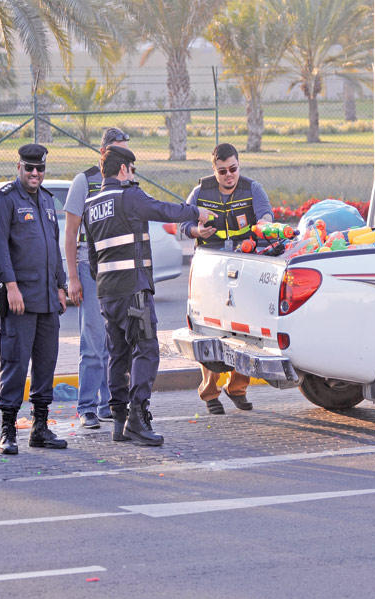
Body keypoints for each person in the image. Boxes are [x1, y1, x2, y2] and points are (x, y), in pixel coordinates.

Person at [83, 145, 211, 444]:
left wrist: (106, 281)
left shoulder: (92, 204)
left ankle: (118, 421)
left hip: (107, 293)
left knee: (118, 353)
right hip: (133, 290)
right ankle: (137, 418)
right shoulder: (130, 197)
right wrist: (197, 212)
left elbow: (92, 257)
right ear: (124, 169)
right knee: (147, 349)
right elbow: (163, 210)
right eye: (132, 170)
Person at [180, 143, 273, 415]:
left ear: (238, 165)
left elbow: (266, 214)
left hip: (245, 266)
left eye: (233, 169)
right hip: (210, 267)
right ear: (214, 170)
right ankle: (210, 392)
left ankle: (237, 388)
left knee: (246, 331)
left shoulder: (253, 189)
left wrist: (265, 224)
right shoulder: (200, 192)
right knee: (210, 331)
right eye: (223, 171)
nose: (229, 175)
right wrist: (196, 230)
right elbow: (183, 224)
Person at [0, 144, 68, 454]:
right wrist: (11, 287)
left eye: (40, 169)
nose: (35, 173)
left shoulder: (48, 200)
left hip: (48, 298)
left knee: (46, 364)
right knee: (15, 363)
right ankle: (8, 430)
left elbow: (54, 247)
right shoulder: (5, 200)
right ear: (18, 167)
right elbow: (0, 248)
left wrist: (61, 286)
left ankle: (40, 428)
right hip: (20, 297)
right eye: (29, 168)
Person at [64, 128, 131, 429]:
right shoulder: (84, 181)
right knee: (92, 341)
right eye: (118, 150)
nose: (125, 158)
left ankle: (108, 404)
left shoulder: (128, 181)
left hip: (117, 269)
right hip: (89, 268)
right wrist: (72, 278)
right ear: (104, 152)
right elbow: (69, 234)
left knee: (114, 341)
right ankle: (87, 406)